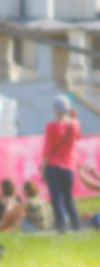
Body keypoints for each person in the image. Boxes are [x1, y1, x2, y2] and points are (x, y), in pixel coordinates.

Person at [41, 95, 81, 232]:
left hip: (53, 166)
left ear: (57, 110)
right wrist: (74, 118)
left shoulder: (51, 126)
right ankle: (77, 225)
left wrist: (43, 170)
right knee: (68, 199)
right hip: (69, 167)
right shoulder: (75, 125)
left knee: (56, 199)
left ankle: (61, 227)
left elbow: (46, 150)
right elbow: (78, 137)